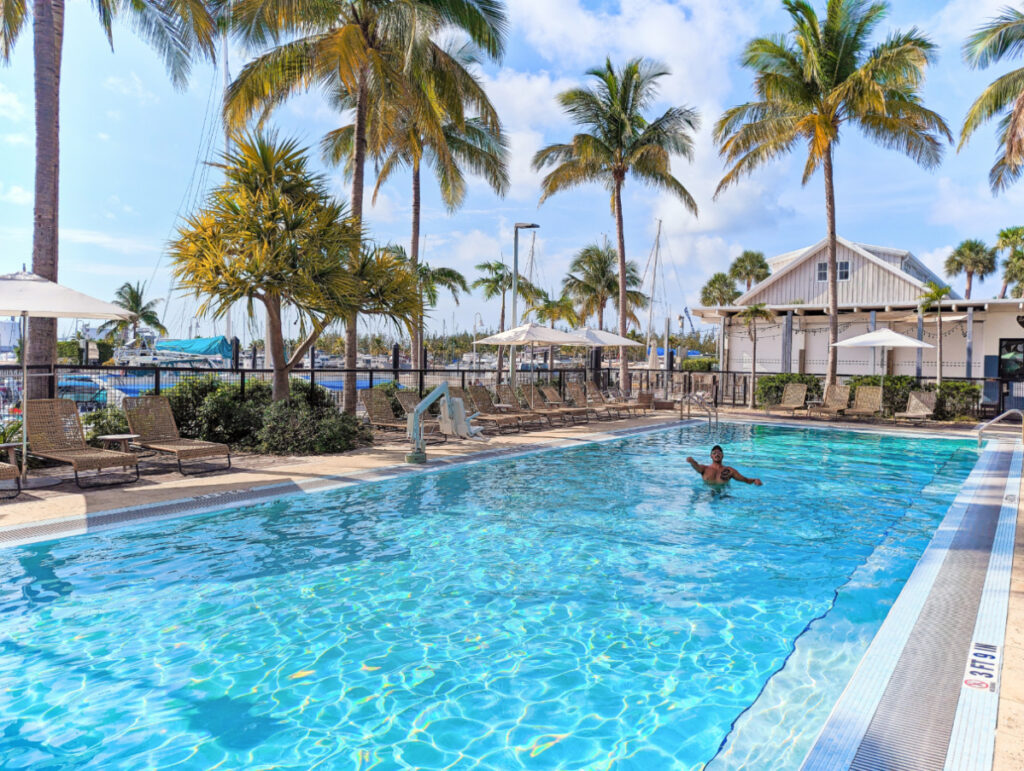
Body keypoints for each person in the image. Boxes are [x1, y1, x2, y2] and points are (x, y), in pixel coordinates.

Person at [686, 445, 762, 486]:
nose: (716, 454)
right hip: (707, 494)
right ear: (711, 456)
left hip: (724, 496)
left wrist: (755, 480)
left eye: (719, 452)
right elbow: (696, 467)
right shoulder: (704, 469)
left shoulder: (730, 471)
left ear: (722, 455)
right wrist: (692, 462)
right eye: (714, 453)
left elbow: (745, 480)